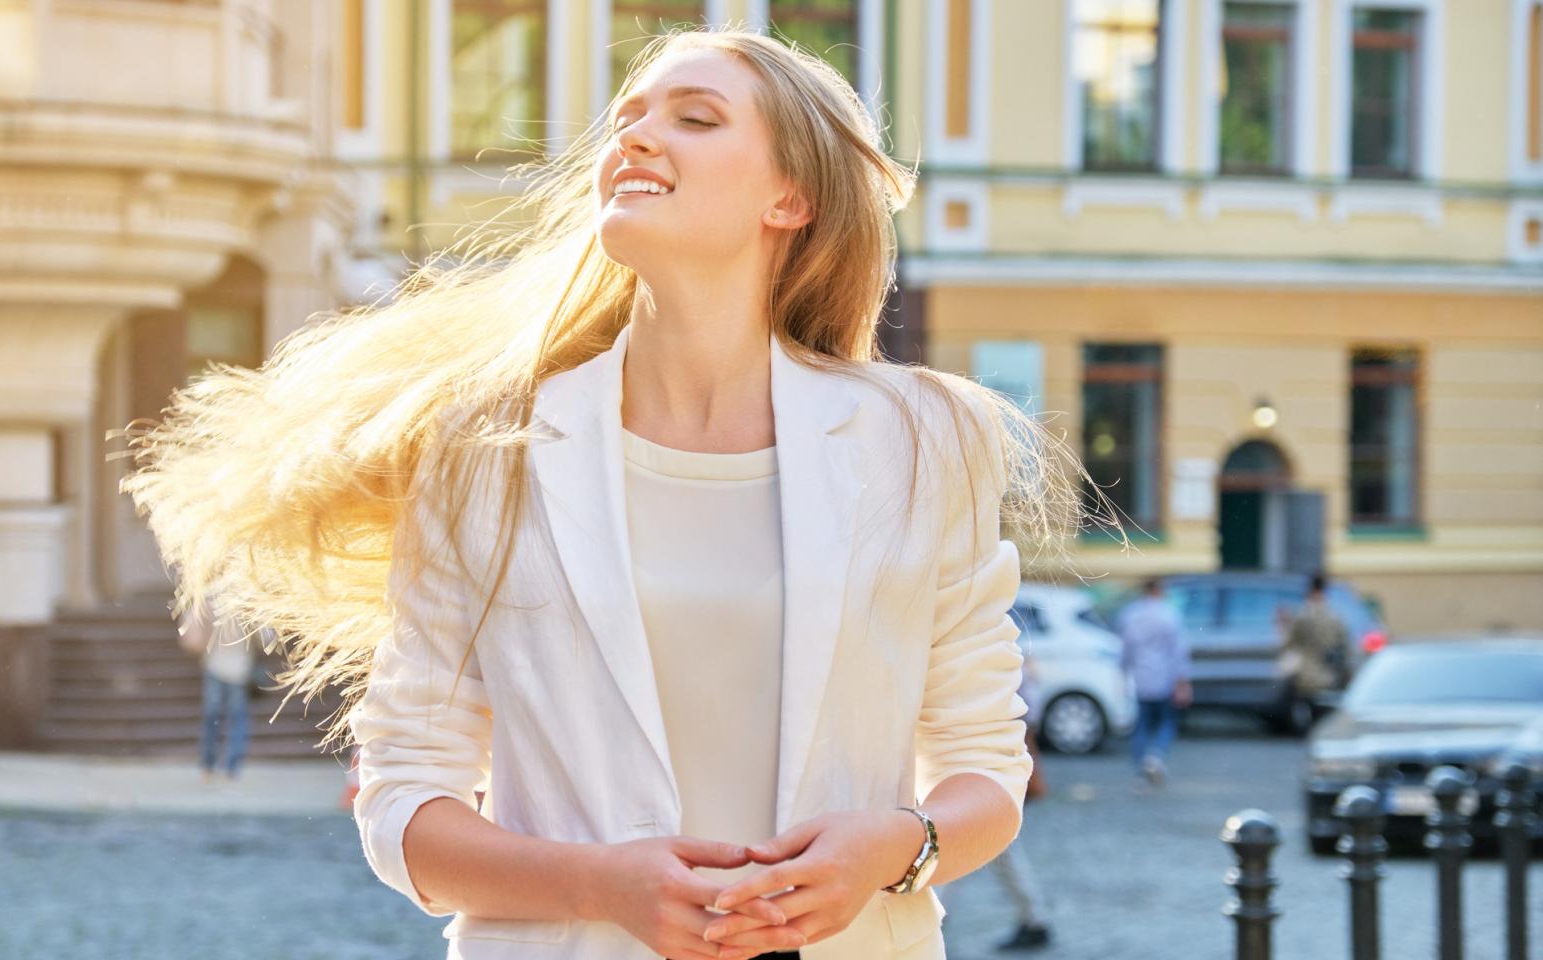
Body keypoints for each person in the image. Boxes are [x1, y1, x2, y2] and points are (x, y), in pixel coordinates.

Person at [122, 26, 1117, 960]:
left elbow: (986, 774)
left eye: (692, 116)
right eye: (626, 118)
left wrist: (895, 849)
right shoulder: (485, 445)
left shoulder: (923, 437)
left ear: (790, 199)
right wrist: (600, 887)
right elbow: (402, 809)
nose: (633, 133)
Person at [991, 659, 1051, 951]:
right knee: (1002, 848)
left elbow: (1029, 709)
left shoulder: (1004, 647)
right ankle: (1034, 918)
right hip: (996, 762)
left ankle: (1034, 919)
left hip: (994, 763)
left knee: (999, 844)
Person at [177, 594, 267, 781]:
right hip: (223, 666)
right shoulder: (227, 596)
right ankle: (224, 766)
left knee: (220, 717)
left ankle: (218, 765)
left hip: (231, 667)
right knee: (228, 718)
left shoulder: (241, 597)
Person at [1117, 579, 1193, 788]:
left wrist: (1122, 673)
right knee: (1166, 721)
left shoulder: (1131, 614)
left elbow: (1125, 650)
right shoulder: (1169, 614)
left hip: (1140, 677)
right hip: (1165, 676)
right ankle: (1157, 754)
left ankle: (1141, 769)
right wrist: (1183, 679)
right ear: (1159, 591)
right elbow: (1178, 650)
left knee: (1141, 723)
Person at [1282, 572, 1350, 718]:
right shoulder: (1335, 616)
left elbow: (1291, 644)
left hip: (1307, 677)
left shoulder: (1302, 616)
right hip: (1330, 676)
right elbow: (1344, 645)